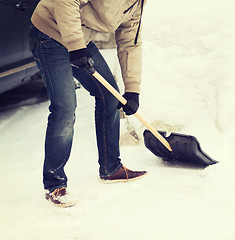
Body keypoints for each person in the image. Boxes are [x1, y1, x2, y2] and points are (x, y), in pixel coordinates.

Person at [29, 0, 147, 207]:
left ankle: (111, 167)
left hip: (80, 39)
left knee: (110, 96)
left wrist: (133, 89)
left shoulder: (137, 5)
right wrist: (75, 46)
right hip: (50, 33)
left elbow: (130, 43)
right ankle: (54, 184)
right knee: (65, 108)